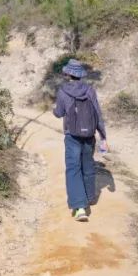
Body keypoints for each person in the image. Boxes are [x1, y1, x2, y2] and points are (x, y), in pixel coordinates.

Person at [52, 58, 108, 222]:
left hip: (72, 135)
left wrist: (53, 111)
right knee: (88, 164)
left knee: (73, 168)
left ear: (67, 74)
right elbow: (97, 113)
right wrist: (103, 136)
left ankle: (80, 207)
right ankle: (90, 197)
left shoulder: (63, 91)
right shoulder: (90, 90)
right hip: (89, 134)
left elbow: (59, 113)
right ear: (81, 75)